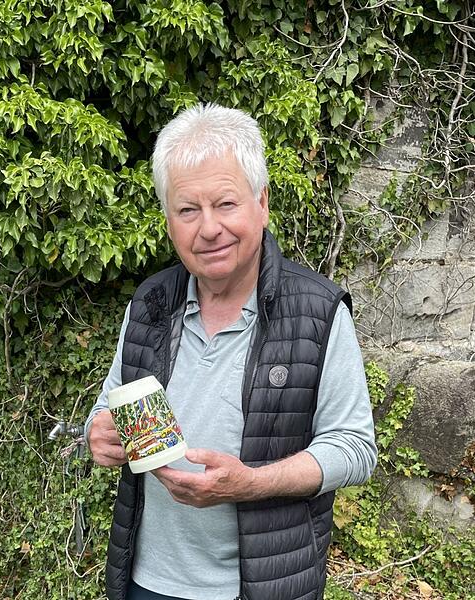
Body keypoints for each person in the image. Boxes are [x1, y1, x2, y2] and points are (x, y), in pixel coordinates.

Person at [86, 103, 377, 600]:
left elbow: (355, 448)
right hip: (146, 582)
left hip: (261, 586)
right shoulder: (150, 303)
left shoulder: (319, 311)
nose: (208, 229)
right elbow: (113, 398)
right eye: (187, 210)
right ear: (168, 219)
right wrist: (100, 431)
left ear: (261, 203)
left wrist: (252, 483)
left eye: (225, 204)